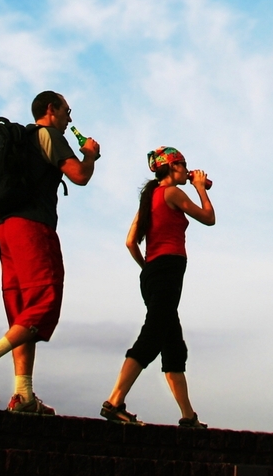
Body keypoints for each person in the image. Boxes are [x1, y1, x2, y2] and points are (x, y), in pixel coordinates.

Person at [0, 91, 100, 415]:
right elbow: (79, 176)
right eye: (67, 111)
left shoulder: (17, 141)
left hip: (6, 229)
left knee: (22, 311)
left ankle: (23, 394)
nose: (69, 118)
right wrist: (90, 155)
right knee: (46, 299)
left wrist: (3, 238)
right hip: (33, 228)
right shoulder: (48, 135)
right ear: (50, 110)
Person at [100, 146, 215, 427]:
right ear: (171, 167)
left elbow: (130, 241)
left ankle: (188, 417)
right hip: (167, 271)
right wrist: (201, 187)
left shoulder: (148, 198)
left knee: (172, 345)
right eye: (184, 164)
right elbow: (209, 218)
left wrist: (147, 267)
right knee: (152, 336)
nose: (188, 169)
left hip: (153, 272)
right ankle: (114, 401)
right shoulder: (172, 192)